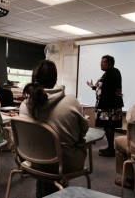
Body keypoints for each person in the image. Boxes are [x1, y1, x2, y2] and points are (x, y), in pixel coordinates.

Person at [20, 60, 89, 198]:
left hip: (34, 160)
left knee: (43, 152)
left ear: (35, 78)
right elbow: (82, 133)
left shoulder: (25, 104)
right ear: (55, 79)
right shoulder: (71, 102)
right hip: (64, 163)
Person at [87, 55, 123, 157]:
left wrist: (96, 87)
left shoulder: (109, 74)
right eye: (101, 62)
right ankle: (110, 148)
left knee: (108, 126)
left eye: (103, 62)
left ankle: (111, 149)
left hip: (108, 106)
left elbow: (103, 89)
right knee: (109, 126)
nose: (101, 64)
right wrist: (94, 87)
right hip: (112, 105)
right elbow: (105, 88)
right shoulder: (114, 72)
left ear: (110, 63)